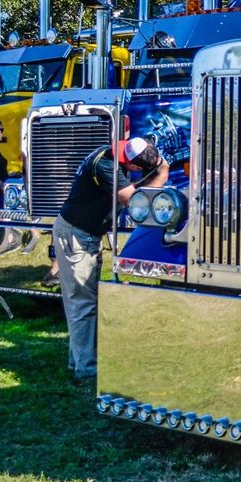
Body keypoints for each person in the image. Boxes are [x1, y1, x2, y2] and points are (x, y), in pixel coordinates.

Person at [53, 137, 168, 381]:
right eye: (137, 169)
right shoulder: (106, 165)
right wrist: (161, 173)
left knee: (86, 301)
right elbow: (132, 199)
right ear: (134, 166)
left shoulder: (115, 153)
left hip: (84, 234)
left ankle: (78, 361)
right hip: (77, 236)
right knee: (82, 303)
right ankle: (86, 368)